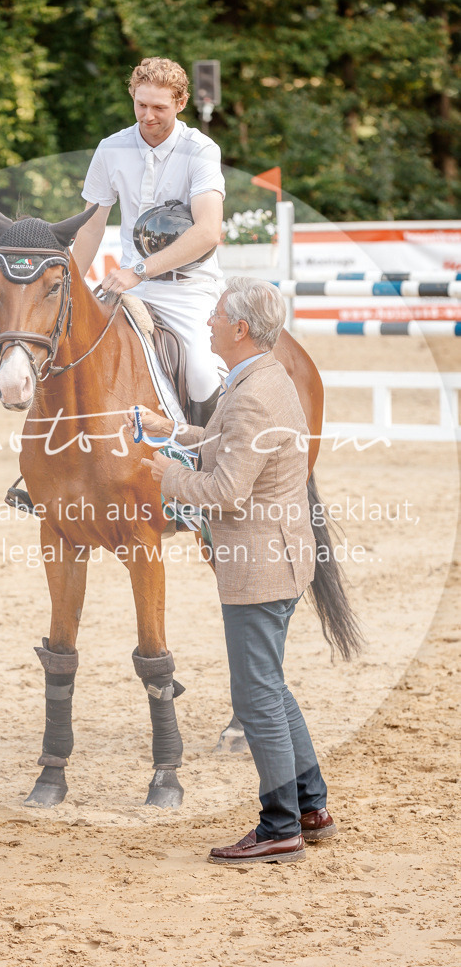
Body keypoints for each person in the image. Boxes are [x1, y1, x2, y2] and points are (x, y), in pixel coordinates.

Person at [129, 277, 337, 865]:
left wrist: (163, 475)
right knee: (270, 683)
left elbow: (225, 489)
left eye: (219, 317)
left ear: (240, 328)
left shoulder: (250, 392)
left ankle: (280, 828)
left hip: (259, 565)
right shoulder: (261, 377)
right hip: (279, 554)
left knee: (255, 698)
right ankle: (311, 804)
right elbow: (226, 442)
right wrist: (175, 432)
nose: (212, 324)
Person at [73, 56, 226, 426]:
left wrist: (138, 270)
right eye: (140, 104)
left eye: (159, 107)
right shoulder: (110, 149)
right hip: (130, 288)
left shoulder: (201, 150)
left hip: (188, 290)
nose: (147, 116)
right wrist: (72, 284)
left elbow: (207, 231)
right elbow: (92, 225)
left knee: (203, 374)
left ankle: (206, 459)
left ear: (181, 103)